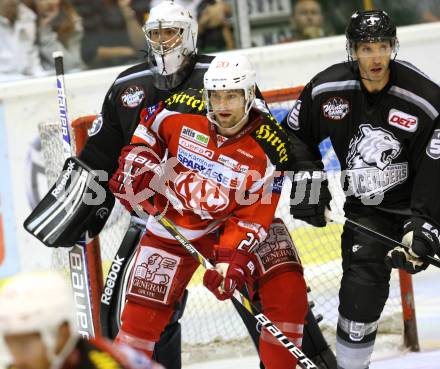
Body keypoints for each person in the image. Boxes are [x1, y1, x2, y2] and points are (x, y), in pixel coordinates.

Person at [23, 1, 336, 368]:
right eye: (155, 33)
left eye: (170, 32)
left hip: (234, 209)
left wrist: (309, 184)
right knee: (139, 310)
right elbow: (102, 153)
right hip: (166, 212)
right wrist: (84, 202)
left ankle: (303, 361)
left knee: (280, 290)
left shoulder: (221, 76)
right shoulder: (129, 86)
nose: (163, 41)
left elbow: (272, 141)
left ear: (188, 35)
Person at [108, 53, 312, 369]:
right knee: (139, 319)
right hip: (174, 225)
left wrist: (232, 261)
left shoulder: (271, 144)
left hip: (234, 222)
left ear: (249, 95)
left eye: (232, 95)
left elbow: (255, 214)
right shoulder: (179, 108)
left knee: (287, 291)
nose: (223, 104)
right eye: (216, 95)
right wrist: (138, 167)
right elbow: (146, 135)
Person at [281, 9, 440, 369]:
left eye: (382, 46)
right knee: (358, 298)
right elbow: (292, 133)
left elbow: (437, 165)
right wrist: (309, 183)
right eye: (367, 48)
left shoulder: (424, 98)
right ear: (352, 50)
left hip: (426, 202)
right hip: (369, 213)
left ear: (393, 47)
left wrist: (425, 225)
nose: (376, 57)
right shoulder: (327, 90)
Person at [0, 270, 163, 369]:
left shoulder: (104, 364)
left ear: (62, 334)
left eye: (24, 344)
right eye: (10, 343)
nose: (17, 358)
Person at [33, 0, 84, 72]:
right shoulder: (27, 20)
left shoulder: (73, 21)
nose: (48, 2)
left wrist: (45, 30)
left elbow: (72, 65)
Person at [0, 0, 44, 81]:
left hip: (25, 78)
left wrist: (41, 78)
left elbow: (31, 52)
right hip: (3, 79)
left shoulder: (28, 16)